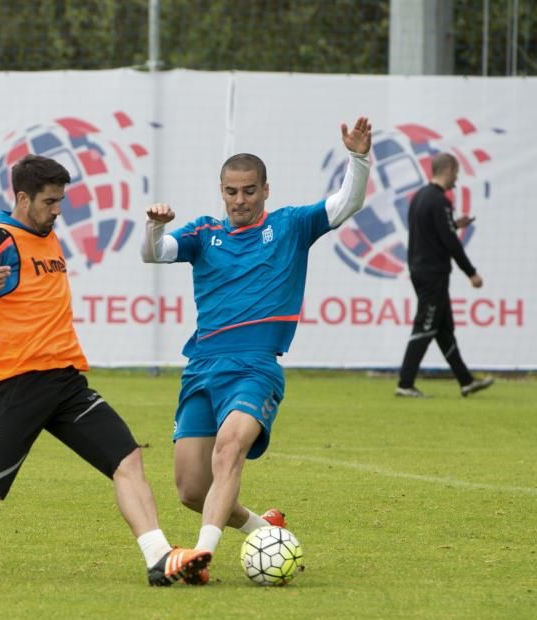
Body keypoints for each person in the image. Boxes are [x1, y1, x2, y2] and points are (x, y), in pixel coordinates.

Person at [0, 154, 210, 586]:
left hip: (66, 380)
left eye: (61, 201)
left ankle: (159, 558)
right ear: (22, 197)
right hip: (20, 385)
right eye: (49, 202)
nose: (57, 210)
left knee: (127, 459)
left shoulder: (48, 235)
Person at [141, 117, 373, 582]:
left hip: (255, 368)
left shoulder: (290, 226)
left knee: (228, 450)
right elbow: (154, 253)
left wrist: (359, 157)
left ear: (266, 189)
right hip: (202, 368)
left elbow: (347, 202)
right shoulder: (205, 234)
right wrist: (153, 226)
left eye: (249, 190)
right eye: (231, 191)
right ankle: (262, 528)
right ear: (221, 191)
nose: (240, 200)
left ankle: (200, 556)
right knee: (190, 488)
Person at [395, 152, 494, 399]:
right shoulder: (440, 201)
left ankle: (466, 381)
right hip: (433, 273)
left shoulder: (420, 197)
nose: (457, 180)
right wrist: (471, 273)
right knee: (426, 325)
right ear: (448, 169)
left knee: (443, 328)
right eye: (456, 173)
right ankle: (405, 384)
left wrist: (454, 224)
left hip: (419, 269)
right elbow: (450, 242)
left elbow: (432, 230)